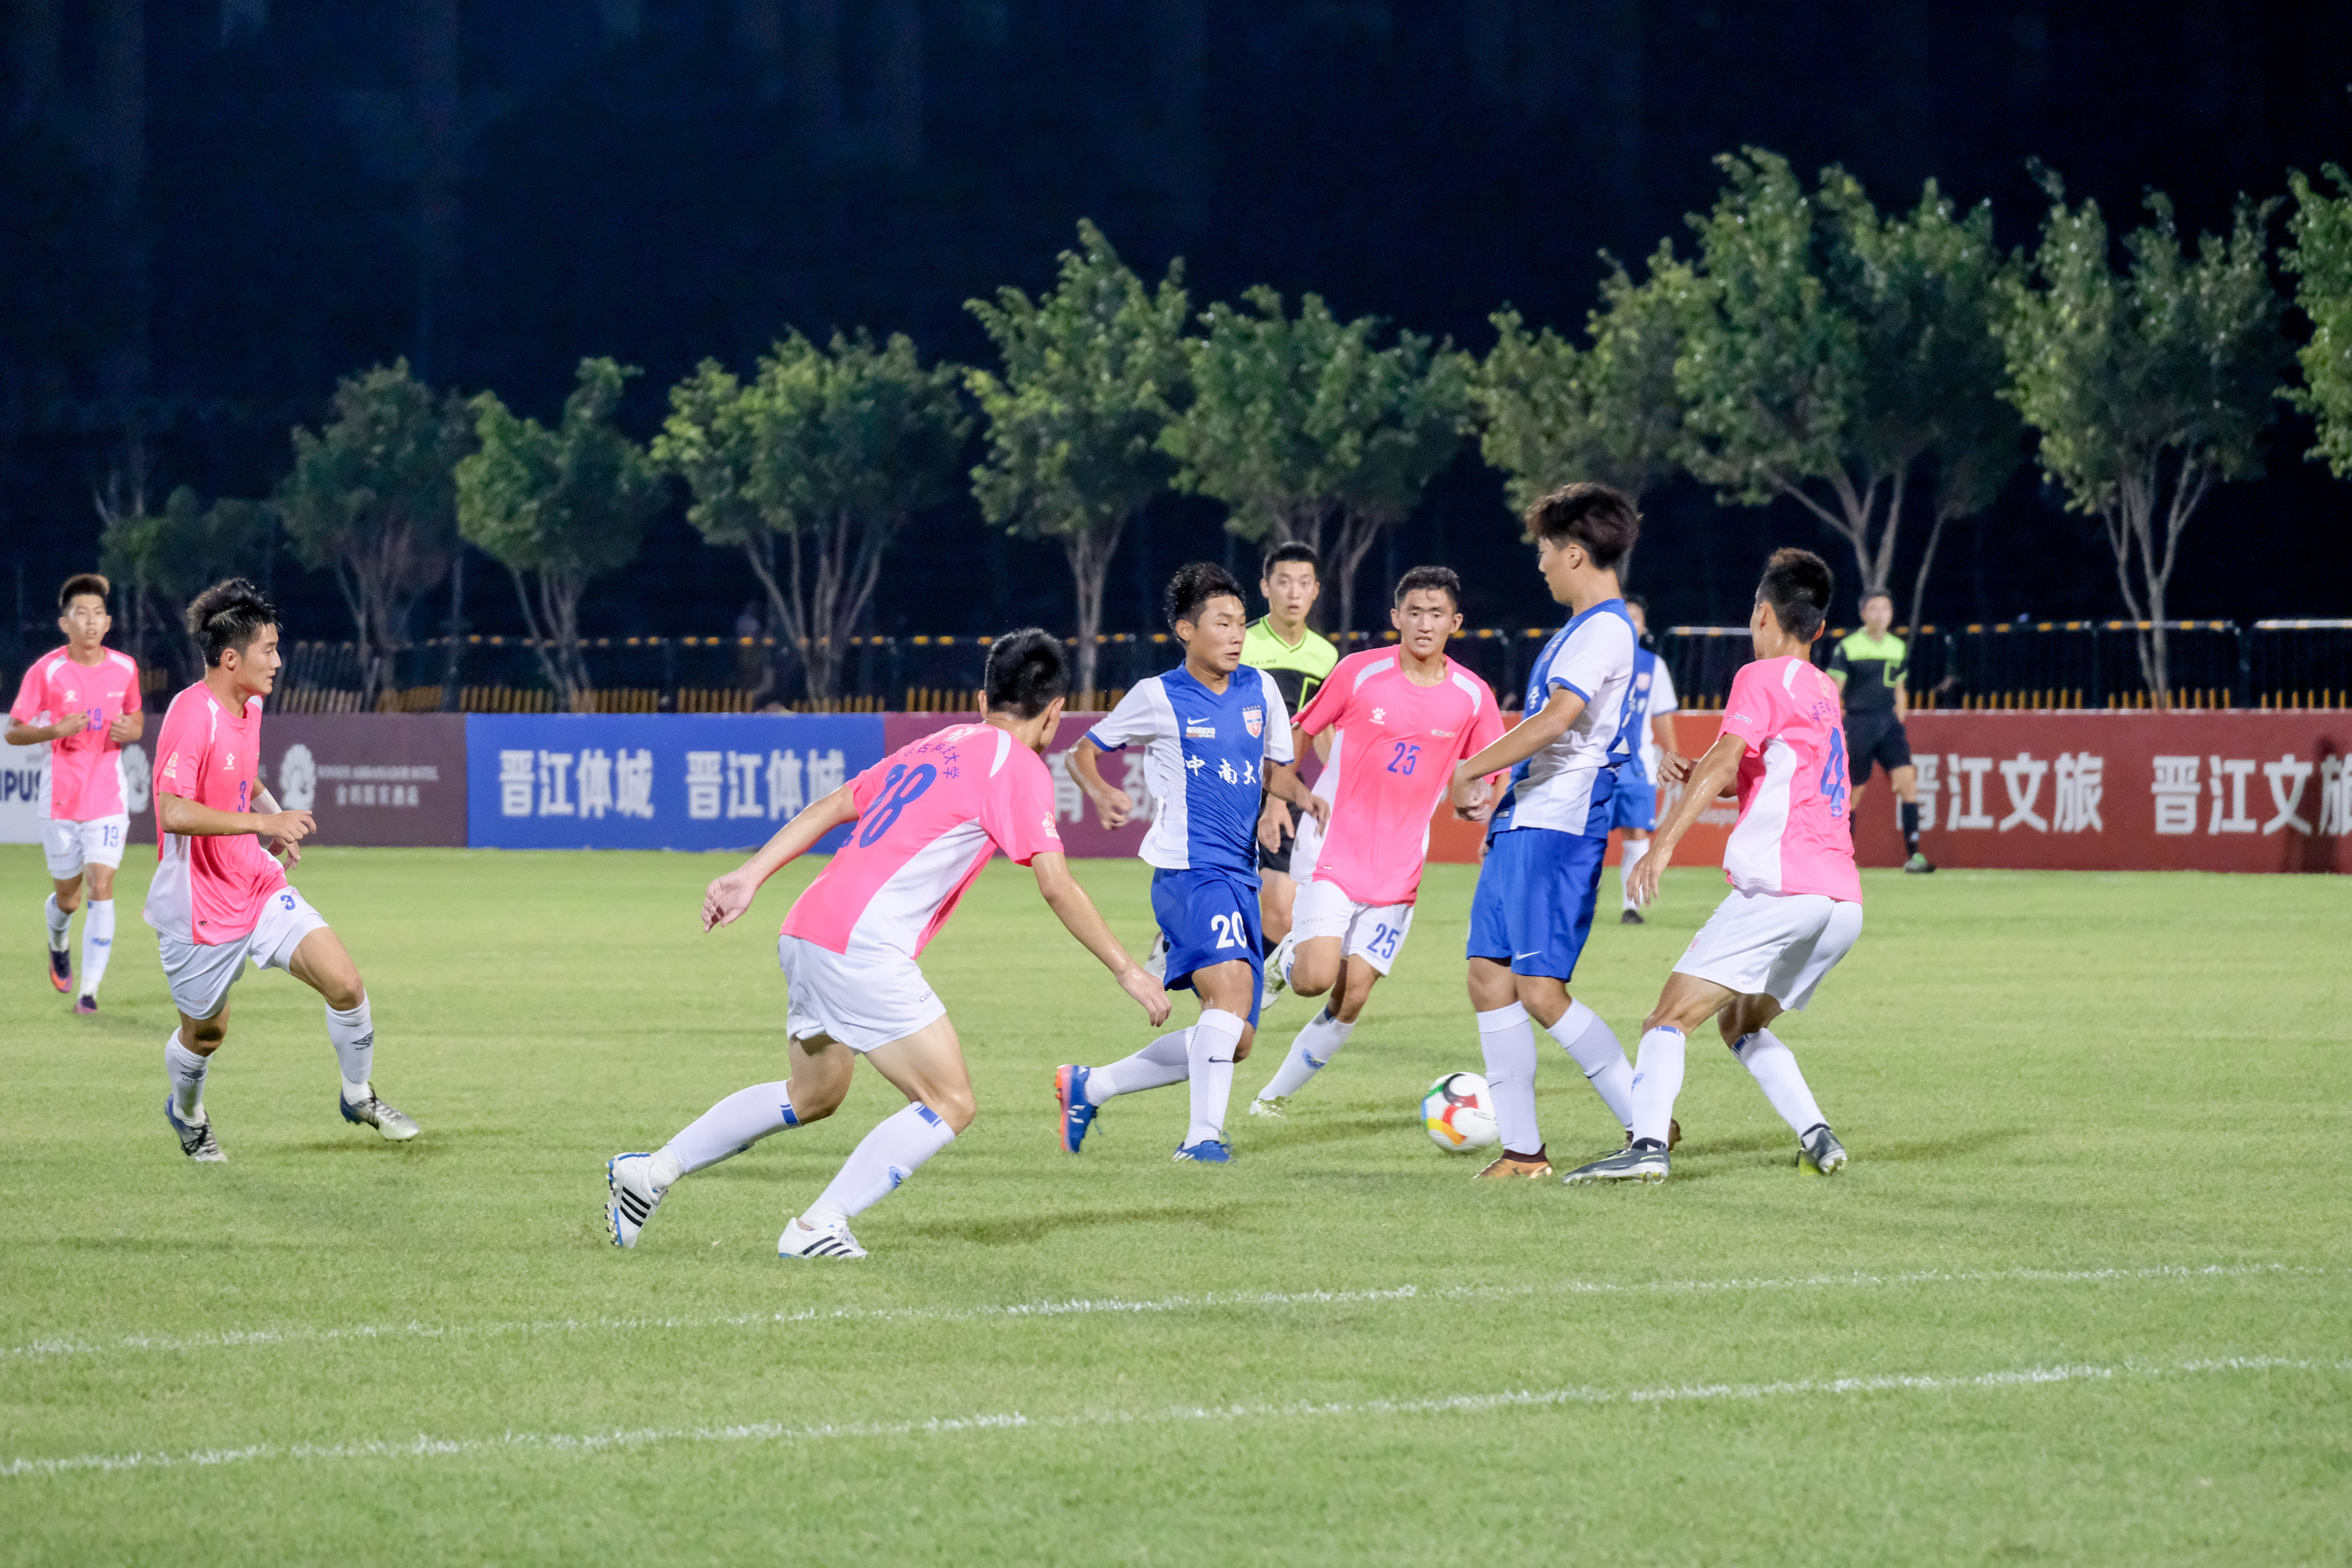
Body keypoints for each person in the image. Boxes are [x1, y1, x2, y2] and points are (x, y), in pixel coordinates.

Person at [606, 630, 1169, 1259]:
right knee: (949, 1102)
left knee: (814, 1094)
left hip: (807, 929)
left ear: (984, 699)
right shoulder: (1017, 767)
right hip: (861, 946)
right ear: (1056, 711)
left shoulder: (938, 744)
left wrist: (749, 875)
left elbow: (834, 805)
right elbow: (1056, 884)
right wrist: (1128, 970)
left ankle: (651, 1171)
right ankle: (818, 1226)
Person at [1564, 549, 1858, 1185]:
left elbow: (1729, 761)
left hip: (1782, 887)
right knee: (1739, 1023)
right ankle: (1819, 1136)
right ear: (1819, 627)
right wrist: (1696, 769)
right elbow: (1756, 771)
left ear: (1763, 615)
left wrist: (1663, 843)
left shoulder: (1761, 676)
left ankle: (1647, 1146)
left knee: (1667, 1018)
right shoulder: (1822, 691)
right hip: (1841, 902)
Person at [1055, 563, 1325, 1163]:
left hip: (1241, 876)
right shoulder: (1158, 696)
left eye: (1240, 623)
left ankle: (1091, 1086)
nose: (1236, 635)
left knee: (1235, 1039)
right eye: (1221, 624)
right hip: (1189, 873)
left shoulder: (1260, 690)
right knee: (1227, 1001)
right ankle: (1202, 1140)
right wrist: (1101, 791)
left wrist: (1298, 798)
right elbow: (1082, 752)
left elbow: (1273, 769)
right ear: (1186, 630)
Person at [145, 579, 419, 1162]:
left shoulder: (250, 706)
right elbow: (171, 812)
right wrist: (265, 824)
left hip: (255, 883)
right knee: (207, 1034)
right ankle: (188, 1114)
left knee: (346, 984)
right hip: (197, 907)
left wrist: (273, 819)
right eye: (267, 650)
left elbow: (243, 774)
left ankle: (358, 1096)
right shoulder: (191, 715)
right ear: (230, 659)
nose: (277, 661)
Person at [1445, 483, 1654, 1179]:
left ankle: (1646, 1124)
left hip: (1560, 825)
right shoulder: (1578, 629)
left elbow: (1560, 720)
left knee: (1539, 990)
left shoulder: (1605, 628)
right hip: (1527, 818)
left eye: (1544, 552)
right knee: (1488, 977)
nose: (1539, 566)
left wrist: (1470, 768)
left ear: (1574, 554)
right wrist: (1503, 799)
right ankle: (1523, 1151)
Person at [1246, 566, 1504, 1116]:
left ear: (1455, 622)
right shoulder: (1359, 673)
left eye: (1437, 614)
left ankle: (1273, 1098)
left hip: (1399, 869)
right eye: (1415, 612)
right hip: (1332, 849)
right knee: (1316, 980)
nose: (1425, 624)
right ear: (1396, 618)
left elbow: (1494, 768)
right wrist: (1280, 794)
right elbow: (1299, 733)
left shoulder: (1473, 696)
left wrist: (1483, 807)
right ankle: (1285, 960)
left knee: (1354, 995)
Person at [7, 573, 143, 1013]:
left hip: (108, 800)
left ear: (108, 622)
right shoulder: (46, 671)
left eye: (98, 613)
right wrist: (54, 730)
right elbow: (13, 732)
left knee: (101, 884)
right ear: (65, 624)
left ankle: (89, 992)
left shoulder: (126, 668)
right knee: (69, 898)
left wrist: (132, 730)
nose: (91, 621)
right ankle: (58, 940)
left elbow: (136, 718)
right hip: (61, 802)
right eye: (81, 614)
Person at [1239, 543, 1338, 973]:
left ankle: (1249, 988)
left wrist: (1343, 783)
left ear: (1316, 590)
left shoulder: (1326, 656)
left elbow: (1320, 729)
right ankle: (1176, 949)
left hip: (1284, 786)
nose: (1293, 593)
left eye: (1303, 583)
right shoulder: (1241, 644)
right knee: (1222, 900)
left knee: (1282, 915)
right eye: (1284, 582)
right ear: (1265, 588)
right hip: (1233, 787)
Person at [1828, 590, 1933, 873]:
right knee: (1853, 793)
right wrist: (1837, 725)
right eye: (1874, 609)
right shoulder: (1848, 647)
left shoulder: (1898, 647)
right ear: (1863, 614)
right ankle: (1842, 859)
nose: (1880, 615)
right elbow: (1834, 690)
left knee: (1908, 784)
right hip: (1858, 724)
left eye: (1885, 609)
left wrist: (1900, 719)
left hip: (1889, 725)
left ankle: (1915, 855)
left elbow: (1900, 688)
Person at [1612, 597, 1681, 925]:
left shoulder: (1653, 666)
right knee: (1587, 834)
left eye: (1636, 617)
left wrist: (1674, 756)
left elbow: (1663, 715)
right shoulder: (1597, 661)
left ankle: (1631, 907)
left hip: (1636, 767)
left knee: (1636, 834)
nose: (1630, 622)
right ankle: (1580, 899)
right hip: (1596, 764)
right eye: (1624, 616)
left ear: (1643, 626)